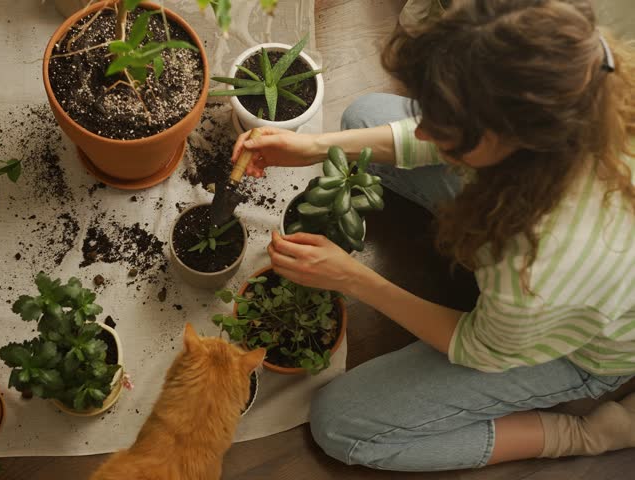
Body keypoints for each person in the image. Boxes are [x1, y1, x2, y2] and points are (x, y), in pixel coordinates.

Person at [231, 0, 635, 472]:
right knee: (362, 118)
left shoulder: (536, 270)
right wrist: (313, 147)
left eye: (441, 124)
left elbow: (478, 348)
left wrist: (352, 279)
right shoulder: (579, 87)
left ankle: (585, 435)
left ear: (501, 145)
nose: (422, 126)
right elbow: (427, 137)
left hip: (575, 348)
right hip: (528, 262)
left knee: (340, 425)